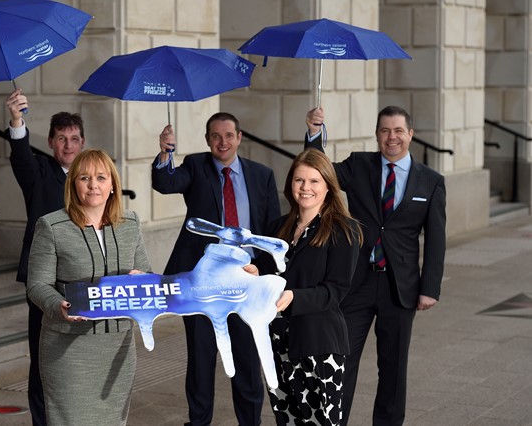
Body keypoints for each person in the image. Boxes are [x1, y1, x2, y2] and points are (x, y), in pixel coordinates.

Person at [304, 106, 447, 426]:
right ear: (377, 134)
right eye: (385, 131)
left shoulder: (431, 181)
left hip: (401, 288)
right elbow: (320, 172)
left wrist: (430, 288)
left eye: (398, 131)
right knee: (341, 360)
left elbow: (436, 239)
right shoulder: (359, 165)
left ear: (410, 134)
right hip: (355, 282)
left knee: (394, 368)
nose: (391, 137)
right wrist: (314, 134)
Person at [152, 112, 281, 426]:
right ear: (208, 140)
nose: (222, 142)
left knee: (247, 360)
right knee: (201, 358)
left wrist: (269, 274)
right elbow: (166, 183)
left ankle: (250, 421)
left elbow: (272, 228)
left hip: (246, 282)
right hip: (203, 284)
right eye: (215, 136)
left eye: (228, 135)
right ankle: (199, 422)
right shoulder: (196, 167)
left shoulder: (261, 174)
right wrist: (165, 154)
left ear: (239, 138)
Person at [27, 149, 151, 425]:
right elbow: (37, 284)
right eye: (84, 177)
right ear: (73, 184)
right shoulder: (51, 226)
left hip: (118, 347)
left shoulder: (130, 224)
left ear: (112, 185)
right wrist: (56, 305)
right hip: (69, 348)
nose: (93, 184)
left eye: (101, 177)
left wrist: (140, 280)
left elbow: (147, 275)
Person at [248, 148, 362, 425]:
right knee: (286, 419)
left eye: (314, 181)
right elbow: (265, 272)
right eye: (299, 180)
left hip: (319, 345)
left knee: (320, 421)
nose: (305, 188)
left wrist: (294, 297)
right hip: (277, 342)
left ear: (328, 187)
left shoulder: (343, 230)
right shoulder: (278, 227)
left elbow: (335, 290)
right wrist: (254, 272)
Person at [6, 88, 85, 426]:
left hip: (85, 279)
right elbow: (21, 157)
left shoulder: (92, 177)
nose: (68, 145)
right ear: (52, 143)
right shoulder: (38, 173)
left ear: (82, 143)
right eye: (61, 139)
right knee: (43, 359)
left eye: (74, 138)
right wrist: (17, 120)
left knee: (80, 358)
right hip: (46, 282)